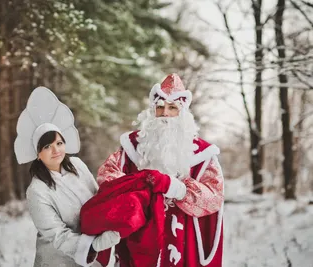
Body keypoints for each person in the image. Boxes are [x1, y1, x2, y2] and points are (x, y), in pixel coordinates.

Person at [96, 73, 225, 267]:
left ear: (182, 113)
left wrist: (179, 190)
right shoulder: (133, 146)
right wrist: (138, 191)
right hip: (138, 236)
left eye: (173, 108)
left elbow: (214, 196)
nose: (165, 113)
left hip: (182, 239)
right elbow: (107, 177)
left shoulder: (203, 154)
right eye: (160, 107)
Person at [14, 87, 121, 267]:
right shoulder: (37, 191)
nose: (56, 150)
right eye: (47, 146)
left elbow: (97, 200)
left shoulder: (78, 166)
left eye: (59, 143)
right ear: (38, 153)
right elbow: (57, 235)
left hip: (91, 260)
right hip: (57, 261)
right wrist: (94, 245)